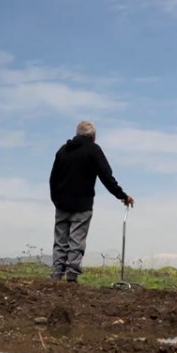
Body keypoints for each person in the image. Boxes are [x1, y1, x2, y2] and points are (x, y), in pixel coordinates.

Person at [48, 120, 133, 282]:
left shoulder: (63, 151)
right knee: (76, 241)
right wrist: (122, 195)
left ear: (77, 134)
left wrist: (56, 199)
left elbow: (53, 179)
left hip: (62, 204)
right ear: (93, 136)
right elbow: (106, 177)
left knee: (60, 241)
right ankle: (71, 278)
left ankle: (56, 275)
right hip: (82, 204)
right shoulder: (93, 150)